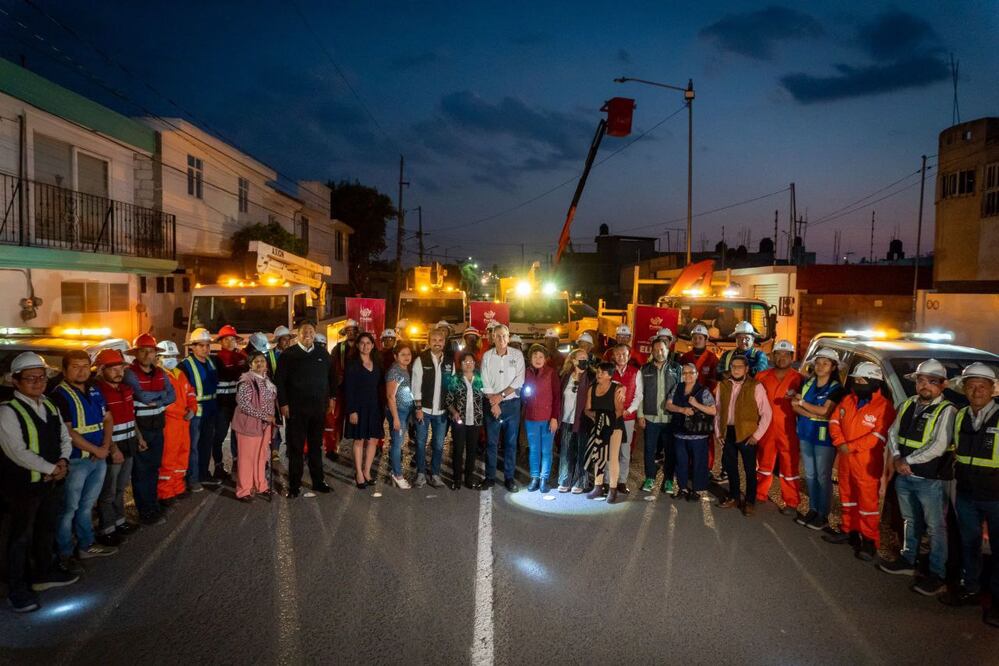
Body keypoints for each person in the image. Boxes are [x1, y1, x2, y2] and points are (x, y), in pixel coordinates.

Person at [0, 352, 77, 612]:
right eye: (30, 378)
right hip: (21, 489)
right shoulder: (7, 412)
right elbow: (16, 451)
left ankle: (44, 573)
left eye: (41, 377)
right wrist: (52, 468)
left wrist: (63, 463)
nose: (37, 382)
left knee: (46, 529)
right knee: (18, 539)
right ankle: (16, 590)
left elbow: (64, 437)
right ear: (16, 381)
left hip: (50, 483)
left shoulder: (50, 405)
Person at [878, 359, 955, 597]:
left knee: (935, 529)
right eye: (921, 380)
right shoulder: (909, 404)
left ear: (942, 386)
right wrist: (899, 455)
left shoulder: (948, 410)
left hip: (929, 479)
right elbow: (893, 432)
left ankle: (936, 574)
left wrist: (905, 462)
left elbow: (939, 445)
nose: (925, 386)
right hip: (906, 475)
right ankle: (908, 560)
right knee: (910, 520)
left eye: (932, 382)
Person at [941, 362, 999, 627]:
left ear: (992, 389)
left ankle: (997, 603)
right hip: (966, 494)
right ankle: (972, 589)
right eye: (972, 386)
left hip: (996, 496)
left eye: (982, 386)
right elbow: (955, 451)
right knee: (969, 545)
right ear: (964, 389)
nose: (977, 391)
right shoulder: (961, 415)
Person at [50, 350, 117, 565]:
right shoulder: (59, 395)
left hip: (98, 458)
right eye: (75, 367)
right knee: (68, 509)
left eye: (85, 366)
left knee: (87, 505)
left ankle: (86, 545)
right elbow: (68, 432)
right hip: (77, 461)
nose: (81, 371)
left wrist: (105, 446)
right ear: (64, 370)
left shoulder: (95, 390)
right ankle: (65, 553)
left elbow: (108, 418)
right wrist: (97, 450)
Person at [825, 362, 896, 562]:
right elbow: (834, 421)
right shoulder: (848, 399)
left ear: (874, 382)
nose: (857, 384)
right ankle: (849, 530)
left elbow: (879, 436)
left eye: (861, 380)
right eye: (855, 380)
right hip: (846, 459)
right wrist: (840, 443)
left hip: (867, 462)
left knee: (867, 504)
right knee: (847, 497)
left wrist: (850, 447)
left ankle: (869, 541)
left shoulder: (884, 407)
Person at [275, 321, 334, 498]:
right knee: (296, 448)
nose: (307, 334)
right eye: (304, 331)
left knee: (316, 446)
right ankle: (294, 485)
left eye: (310, 331)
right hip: (296, 410)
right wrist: (283, 403)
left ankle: (318, 481)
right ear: (298, 334)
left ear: (314, 333)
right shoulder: (289, 355)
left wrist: (331, 399)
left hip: (318, 409)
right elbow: (280, 381)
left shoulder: (323, 354)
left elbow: (332, 378)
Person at [124, 333, 175, 526]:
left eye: (151, 351)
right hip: (141, 430)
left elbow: (172, 397)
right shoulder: (130, 374)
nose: (147, 355)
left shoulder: (160, 372)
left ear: (156, 353)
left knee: (153, 469)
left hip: (157, 426)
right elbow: (143, 397)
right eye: (143, 351)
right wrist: (161, 396)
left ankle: (152, 505)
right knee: (141, 471)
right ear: (136, 353)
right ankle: (145, 510)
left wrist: (157, 397)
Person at [790, 347, 844, 531]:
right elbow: (793, 406)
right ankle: (813, 509)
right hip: (806, 434)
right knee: (811, 475)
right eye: (818, 362)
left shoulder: (837, 388)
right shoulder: (807, 383)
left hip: (824, 439)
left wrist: (804, 405)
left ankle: (823, 515)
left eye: (825, 363)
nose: (820, 366)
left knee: (823, 477)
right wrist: (813, 412)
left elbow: (825, 411)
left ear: (833, 367)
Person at [92, 349, 141, 546]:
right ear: (101, 370)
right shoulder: (99, 393)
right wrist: (112, 449)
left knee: (121, 487)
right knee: (108, 491)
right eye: (113, 368)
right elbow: (102, 424)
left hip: (128, 444)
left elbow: (131, 416)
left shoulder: (126, 389)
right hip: (115, 449)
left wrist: (139, 437)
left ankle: (119, 521)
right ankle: (107, 529)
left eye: (121, 367)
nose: (118, 372)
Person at [715, 355, 772, 516]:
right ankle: (734, 497)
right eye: (733, 366)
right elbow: (718, 411)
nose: (736, 369)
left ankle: (749, 501)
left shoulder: (756, 386)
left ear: (746, 369)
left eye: (739, 366)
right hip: (728, 432)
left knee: (749, 470)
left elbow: (766, 413)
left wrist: (757, 436)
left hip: (748, 434)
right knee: (731, 467)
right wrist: (719, 432)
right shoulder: (723, 385)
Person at [754, 340, 804, 513]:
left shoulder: (799, 379)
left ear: (792, 357)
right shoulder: (761, 377)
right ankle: (759, 494)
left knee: (789, 467)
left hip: (790, 431)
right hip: (766, 429)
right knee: (764, 464)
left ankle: (791, 502)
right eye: (778, 354)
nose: (782, 358)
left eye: (786, 355)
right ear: (772, 355)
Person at [479, 324, 526, 492]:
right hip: (492, 406)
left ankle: (509, 478)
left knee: (510, 444)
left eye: (504, 336)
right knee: (491, 443)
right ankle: (490, 477)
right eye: (497, 336)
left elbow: (519, 380)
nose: (501, 339)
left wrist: (500, 397)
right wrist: (494, 402)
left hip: (512, 406)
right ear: (492, 337)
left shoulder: (517, 355)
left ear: (509, 336)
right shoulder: (487, 356)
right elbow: (484, 381)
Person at [411, 328, 454, 487]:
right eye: (434, 340)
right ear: (428, 342)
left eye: (440, 340)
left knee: (438, 444)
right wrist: (418, 408)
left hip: (441, 413)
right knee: (421, 443)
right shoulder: (420, 360)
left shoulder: (449, 362)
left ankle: (435, 474)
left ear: (444, 342)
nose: (437, 343)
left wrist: (451, 408)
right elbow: (416, 386)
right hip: (424, 411)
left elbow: (452, 386)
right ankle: (421, 474)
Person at [231, 350, 277, 502]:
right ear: (250, 364)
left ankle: (261, 485)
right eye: (256, 361)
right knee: (246, 459)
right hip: (249, 426)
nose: (260, 363)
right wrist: (265, 416)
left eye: (262, 361)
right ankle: (244, 490)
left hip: (264, 426)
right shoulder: (246, 381)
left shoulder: (266, 380)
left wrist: (272, 419)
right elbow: (244, 405)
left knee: (261, 457)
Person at [667, 363, 716, 500]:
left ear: (697, 374)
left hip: (698, 434)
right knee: (680, 461)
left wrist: (696, 404)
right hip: (679, 432)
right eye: (685, 373)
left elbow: (713, 410)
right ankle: (682, 488)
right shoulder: (677, 387)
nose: (687, 375)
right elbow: (668, 405)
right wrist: (682, 410)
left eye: (691, 372)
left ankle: (697, 490)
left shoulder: (703, 390)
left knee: (699, 463)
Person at [639, 339, 680, 493]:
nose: (659, 352)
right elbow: (640, 394)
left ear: (667, 350)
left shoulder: (677, 369)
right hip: (651, 418)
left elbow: (681, 391)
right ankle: (650, 477)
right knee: (649, 449)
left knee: (670, 451)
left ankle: (669, 479)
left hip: (670, 418)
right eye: (656, 350)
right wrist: (640, 415)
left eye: (662, 349)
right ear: (652, 351)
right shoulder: (644, 370)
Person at [156, 340, 196, 502]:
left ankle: (178, 488)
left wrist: (193, 409)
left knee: (182, 455)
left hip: (184, 422)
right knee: (168, 458)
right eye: (166, 356)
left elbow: (190, 393)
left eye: (173, 355)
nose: (171, 358)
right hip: (170, 423)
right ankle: (165, 493)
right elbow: (165, 403)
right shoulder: (159, 376)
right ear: (159, 357)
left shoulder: (179, 374)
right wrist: (185, 412)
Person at [180, 327, 219, 491]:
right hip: (195, 412)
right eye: (201, 345)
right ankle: (192, 479)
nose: (205, 348)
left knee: (206, 445)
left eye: (207, 345)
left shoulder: (211, 361)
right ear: (192, 347)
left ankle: (203, 474)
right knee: (193, 447)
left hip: (210, 410)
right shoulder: (184, 366)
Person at [679, 324, 721, 476]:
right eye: (695, 338)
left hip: (704, 403)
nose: (697, 340)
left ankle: (706, 467)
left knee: (706, 435)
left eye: (700, 338)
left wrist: (706, 400)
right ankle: (690, 465)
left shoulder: (712, 359)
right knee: (688, 432)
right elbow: (680, 379)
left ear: (706, 340)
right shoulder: (685, 357)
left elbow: (715, 381)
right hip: (687, 401)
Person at [344, 332, 384, 488]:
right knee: (359, 440)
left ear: (373, 345)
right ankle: (359, 473)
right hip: (358, 407)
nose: (365, 346)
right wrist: (352, 410)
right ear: (358, 345)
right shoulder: (352, 364)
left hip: (374, 406)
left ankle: (367, 471)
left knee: (373, 440)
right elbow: (349, 389)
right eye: (362, 343)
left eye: (368, 343)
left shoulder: (378, 363)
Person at [584, 362, 627, 503]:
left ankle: (613, 490)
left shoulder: (616, 388)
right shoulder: (592, 388)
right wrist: (595, 417)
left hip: (614, 426)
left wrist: (607, 422)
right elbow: (587, 409)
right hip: (599, 426)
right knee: (598, 456)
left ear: (610, 375)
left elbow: (619, 411)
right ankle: (598, 487)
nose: (599, 375)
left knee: (612, 458)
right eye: (598, 372)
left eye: (602, 373)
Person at [523, 344, 561, 493]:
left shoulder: (551, 373)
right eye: (535, 356)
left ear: (545, 359)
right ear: (530, 358)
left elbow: (557, 397)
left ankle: (544, 478)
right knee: (533, 449)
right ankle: (534, 478)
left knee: (546, 450)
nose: (538, 359)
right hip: (530, 417)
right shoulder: (526, 373)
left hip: (547, 419)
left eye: (541, 357)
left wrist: (554, 417)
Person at [445, 352, 485, 490]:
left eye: (471, 362)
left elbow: (485, 398)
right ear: (460, 364)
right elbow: (448, 400)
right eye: (465, 362)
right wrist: (454, 412)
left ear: (475, 364)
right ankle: (456, 479)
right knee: (458, 450)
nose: (468, 364)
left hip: (475, 421)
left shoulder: (480, 379)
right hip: (459, 421)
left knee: (472, 451)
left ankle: (468, 478)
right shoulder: (455, 379)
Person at [211, 325, 247, 480]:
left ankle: (237, 462)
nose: (230, 342)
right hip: (222, 404)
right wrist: (239, 367)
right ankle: (218, 466)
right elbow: (227, 374)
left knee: (238, 434)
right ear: (221, 341)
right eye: (227, 339)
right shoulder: (217, 359)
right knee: (219, 436)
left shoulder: (241, 357)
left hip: (238, 403)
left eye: (232, 339)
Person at [557, 349, 594, 493]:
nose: (584, 360)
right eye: (581, 358)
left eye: (586, 358)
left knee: (582, 451)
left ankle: (580, 481)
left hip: (583, 420)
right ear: (573, 360)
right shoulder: (565, 376)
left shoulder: (591, 376)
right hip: (567, 419)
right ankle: (565, 480)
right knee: (566, 450)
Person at [611, 344, 642, 494]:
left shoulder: (636, 373)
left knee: (624, 450)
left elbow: (638, 395)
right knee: (611, 450)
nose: (621, 357)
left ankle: (622, 481)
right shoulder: (609, 372)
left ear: (629, 356)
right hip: (612, 416)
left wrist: (629, 410)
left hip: (628, 417)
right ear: (614, 356)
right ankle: (607, 481)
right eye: (618, 354)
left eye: (624, 354)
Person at [328, 319, 359, 460]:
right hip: (341, 390)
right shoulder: (338, 348)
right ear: (345, 332)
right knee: (337, 419)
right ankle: (333, 448)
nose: (351, 333)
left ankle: (359, 449)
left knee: (358, 419)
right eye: (348, 330)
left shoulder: (363, 346)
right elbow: (331, 369)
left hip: (357, 391)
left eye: (353, 330)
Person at [385, 343, 415, 489]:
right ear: (395, 356)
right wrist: (396, 418)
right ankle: (397, 474)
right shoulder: (395, 371)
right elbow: (390, 396)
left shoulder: (405, 368)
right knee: (397, 444)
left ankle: (394, 470)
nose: (406, 357)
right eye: (402, 354)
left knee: (399, 442)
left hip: (406, 411)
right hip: (398, 412)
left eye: (408, 354)